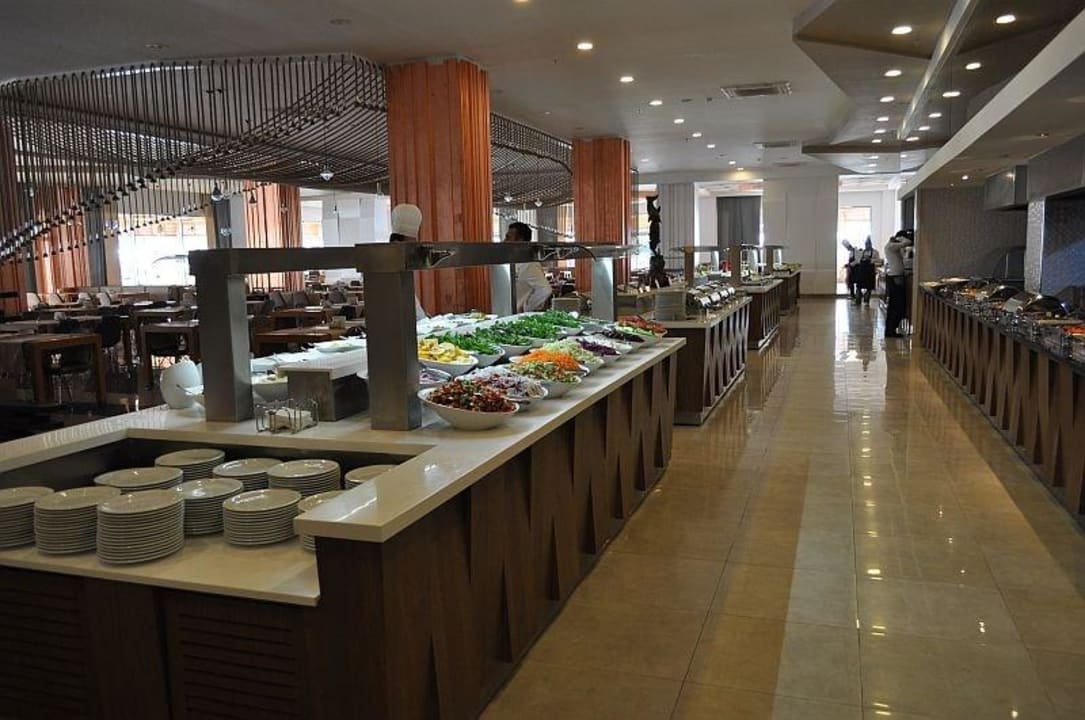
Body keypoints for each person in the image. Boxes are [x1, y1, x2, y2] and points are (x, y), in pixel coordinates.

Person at [388, 203, 428, 320]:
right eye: (411, 243)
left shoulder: (404, 264)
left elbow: (411, 303)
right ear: (398, 243)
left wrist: (426, 319)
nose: (413, 249)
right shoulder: (387, 265)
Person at [504, 221, 552, 312]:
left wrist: (526, 308)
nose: (504, 241)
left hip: (516, 315)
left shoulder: (529, 264)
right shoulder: (510, 261)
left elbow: (545, 290)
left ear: (520, 241)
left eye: (508, 237)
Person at [883, 229, 914, 338]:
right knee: (897, 305)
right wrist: (901, 238)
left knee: (896, 305)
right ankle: (891, 330)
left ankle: (892, 329)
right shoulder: (891, 246)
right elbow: (908, 242)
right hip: (896, 277)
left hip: (896, 276)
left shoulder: (892, 247)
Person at [854, 237, 880, 306]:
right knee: (858, 286)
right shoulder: (862, 252)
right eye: (866, 244)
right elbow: (858, 260)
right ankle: (858, 300)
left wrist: (870, 260)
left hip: (870, 272)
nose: (866, 246)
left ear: (870, 244)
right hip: (862, 271)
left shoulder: (875, 252)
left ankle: (866, 301)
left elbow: (878, 260)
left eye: (868, 244)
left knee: (869, 287)